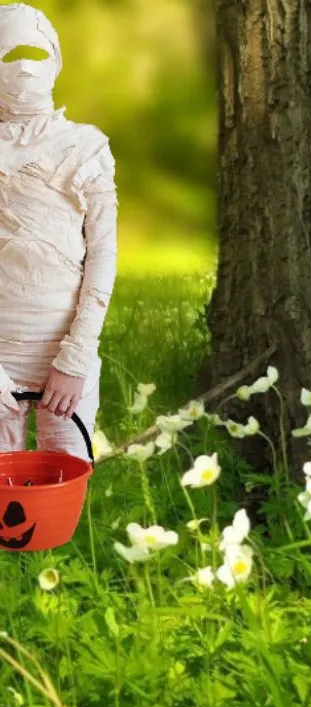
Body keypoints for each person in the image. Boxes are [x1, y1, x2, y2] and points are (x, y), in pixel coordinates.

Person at [0, 3, 118, 462]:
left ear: (55, 59)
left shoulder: (84, 146)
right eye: (9, 54)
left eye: (34, 53)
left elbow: (103, 256)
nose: (24, 66)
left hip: (68, 352)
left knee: (65, 479)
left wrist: (74, 359)